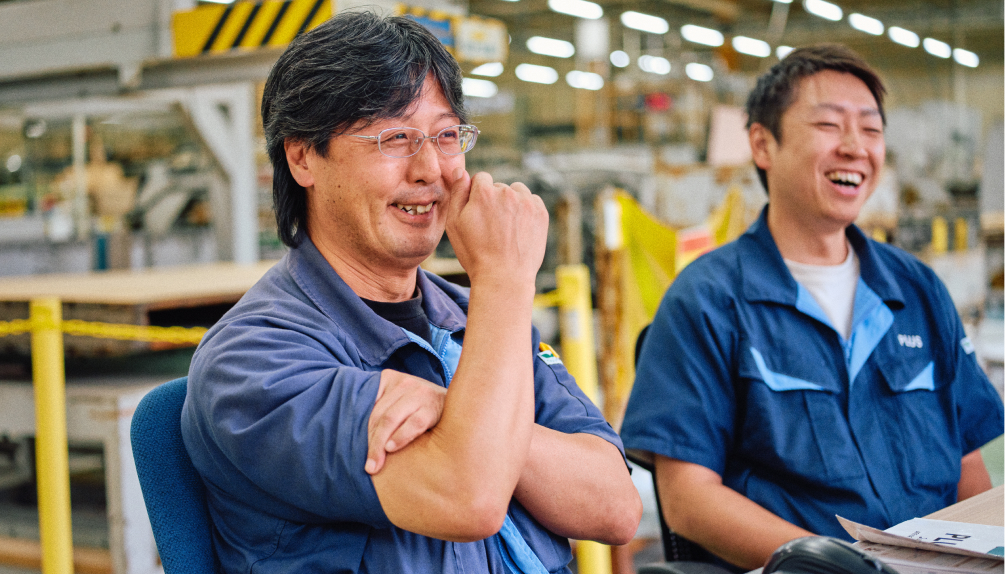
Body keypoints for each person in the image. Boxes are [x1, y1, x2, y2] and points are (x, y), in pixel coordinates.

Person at [180, 11, 642, 573]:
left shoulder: (476, 321)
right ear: (303, 156)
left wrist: (454, 413)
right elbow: (466, 496)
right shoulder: (252, 363)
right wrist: (503, 277)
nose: (431, 170)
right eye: (394, 138)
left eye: (447, 136)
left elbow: (615, 507)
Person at [619, 44, 1004, 571]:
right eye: (829, 125)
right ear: (762, 144)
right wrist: (832, 565)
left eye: (870, 130)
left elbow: (965, 465)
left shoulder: (918, 290)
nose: (855, 147)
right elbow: (688, 500)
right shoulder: (708, 300)